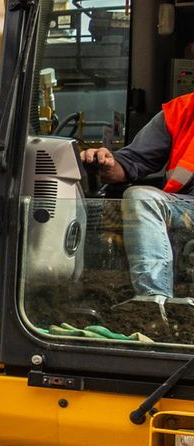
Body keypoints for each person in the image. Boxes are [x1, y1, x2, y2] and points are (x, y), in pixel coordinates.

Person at [83, 92, 194, 306]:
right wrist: (106, 163)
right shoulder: (182, 111)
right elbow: (132, 160)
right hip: (187, 209)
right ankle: (153, 303)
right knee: (141, 197)